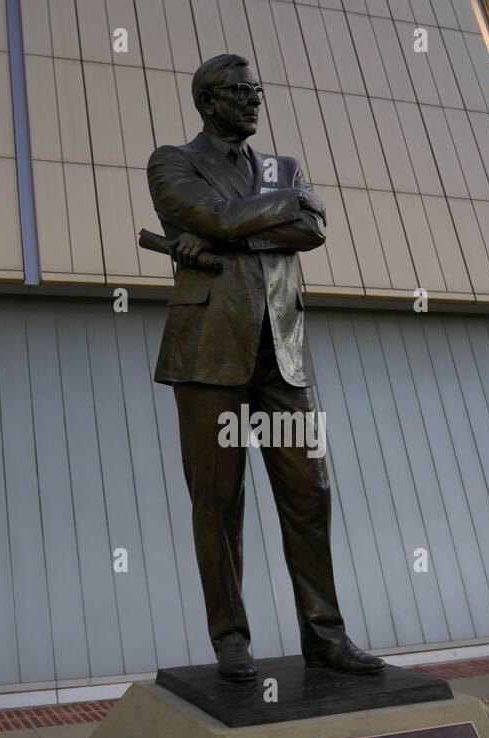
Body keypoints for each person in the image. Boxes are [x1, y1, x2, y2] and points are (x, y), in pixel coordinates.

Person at [146, 53, 386, 682]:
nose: (255, 101)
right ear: (207, 100)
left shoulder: (282, 168)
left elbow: (311, 229)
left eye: (259, 91)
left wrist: (235, 234)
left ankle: (325, 637)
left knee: (310, 493)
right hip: (208, 356)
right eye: (241, 92)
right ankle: (230, 640)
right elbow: (211, 216)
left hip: (281, 354)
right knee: (219, 502)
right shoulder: (172, 160)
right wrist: (268, 213)